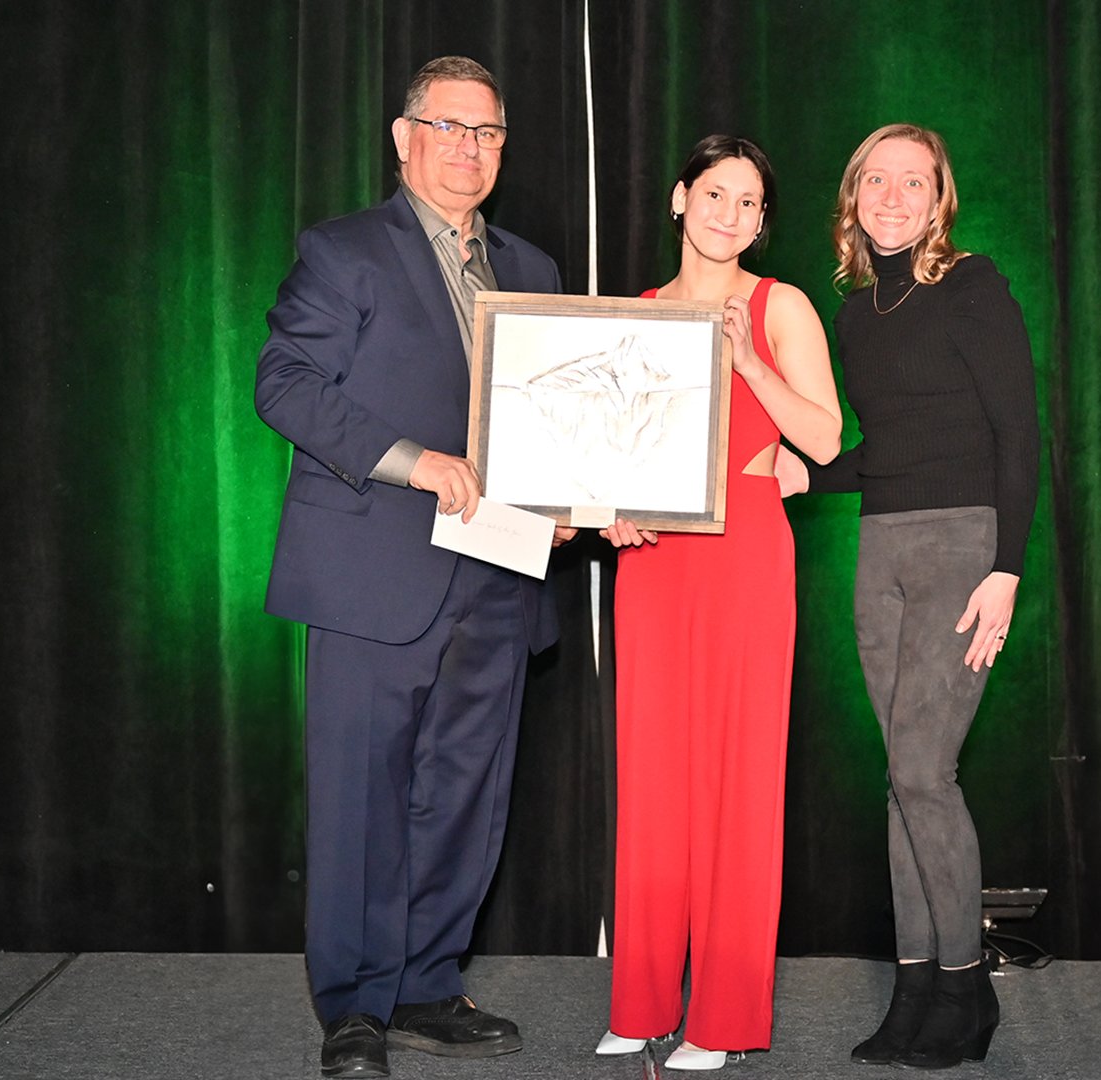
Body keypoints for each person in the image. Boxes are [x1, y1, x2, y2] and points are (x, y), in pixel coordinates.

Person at [254, 56, 574, 1079]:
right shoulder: (344, 252)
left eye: (488, 132)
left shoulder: (536, 269)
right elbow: (285, 385)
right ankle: (354, 1008)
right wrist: (416, 462)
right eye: (449, 127)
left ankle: (430, 985)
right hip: (373, 569)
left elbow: (560, 420)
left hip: (502, 571)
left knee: (466, 792)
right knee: (360, 795)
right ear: (404, 139)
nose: (469, 148)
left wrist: (572, 503)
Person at [778, 123, 1040, 1071]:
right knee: (900, 780)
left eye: (912, 182)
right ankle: (916, 987)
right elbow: (885, 447)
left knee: (927, 774)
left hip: (962, 550)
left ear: (939, 199)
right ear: (852, 198)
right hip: (880, 550)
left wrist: (1006, 570)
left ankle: (968, 996)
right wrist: (805, 479)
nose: (892, 197)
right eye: (874, 181)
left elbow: (1019, 436)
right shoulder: (855, 313)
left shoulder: (973, 287)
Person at [596, 135, 843, 1071]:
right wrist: (607, 511)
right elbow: (604, 444)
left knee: (739, 783)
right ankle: (643, 1000)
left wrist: (747, 362)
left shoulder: (782, 307)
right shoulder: (641, 313)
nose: (730, 215)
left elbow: (821, 437)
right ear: (678, 200)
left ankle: (725, 1018)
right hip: (654, 566)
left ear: (761, 223)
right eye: (715, 194)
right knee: (653, 780)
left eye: (748, 203)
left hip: (745, 560)